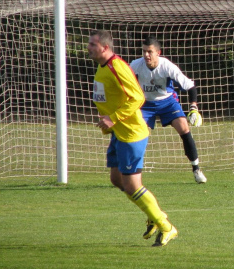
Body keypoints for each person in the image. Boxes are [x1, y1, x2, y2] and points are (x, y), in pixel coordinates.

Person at [88, 30, 178, 247]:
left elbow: (137, 96)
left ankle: (167, 227)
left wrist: (113, 117)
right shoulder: (103, 67)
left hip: (131, 133)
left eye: (92, 44)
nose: (88, 47)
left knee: (131, 185)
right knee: (117, 180)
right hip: (120, 132)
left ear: (105, 48)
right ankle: (155, 215)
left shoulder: (116, 66)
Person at [130, 36, 207, 184]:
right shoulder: (135, 65)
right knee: (137, 135)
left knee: (184, 128)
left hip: (167, 102)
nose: (146, 55)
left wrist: (193, 107)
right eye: (144, 51)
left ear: (158, 52)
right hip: (145, 104)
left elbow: (190, 86)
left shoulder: (167, 66)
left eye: (150, 52)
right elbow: (123, 81)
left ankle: (196, 169)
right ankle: (131, 172)